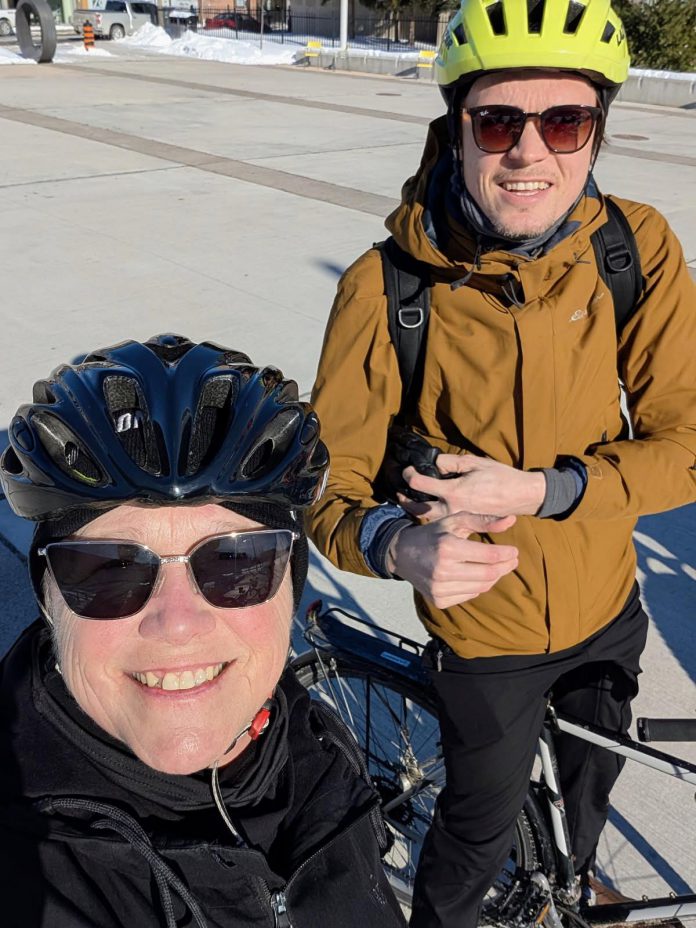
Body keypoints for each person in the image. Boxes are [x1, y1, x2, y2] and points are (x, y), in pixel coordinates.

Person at [305, 1, 696, 926]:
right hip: (486, 637)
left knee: (594, 776)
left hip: (608, 604)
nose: (529, 152)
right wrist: (397, 546)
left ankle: (573, 878)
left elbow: (686, 444)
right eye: (497, 121)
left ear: (597, 132)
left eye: (565, 121)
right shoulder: (385, 287)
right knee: (476, 833)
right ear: (457, 129)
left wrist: (548, 491)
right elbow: (323, 486)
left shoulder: (632, 248)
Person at [0, 334, 407, 928]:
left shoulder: (318, 748)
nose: (177, 623)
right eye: (110, 568)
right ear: (50, 600)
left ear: (289, 583)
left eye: (235, 561)